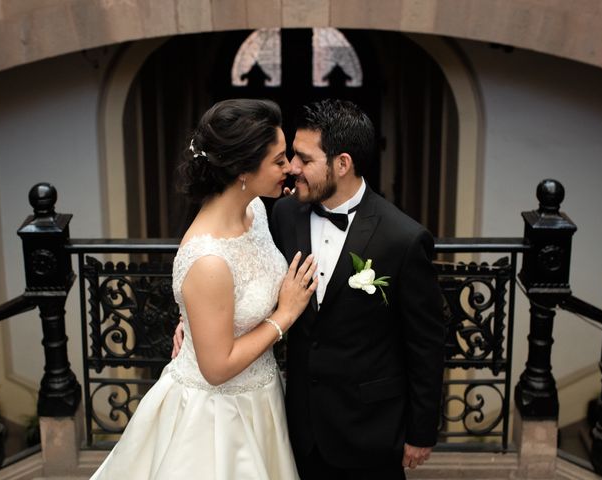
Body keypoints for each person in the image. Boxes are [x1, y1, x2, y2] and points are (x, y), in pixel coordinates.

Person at [91, 99, 317, 480]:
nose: (290, 168)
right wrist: (285, 315)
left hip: (261, 398)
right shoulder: (208, 259)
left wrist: (193, 320)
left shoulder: (255, 211)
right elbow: (216, 368)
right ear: (244, 168)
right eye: (279, 160)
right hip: (216, 417)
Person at [270, 99, 446, 480]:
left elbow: (426, 344)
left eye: (303, 159)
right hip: (299, 428)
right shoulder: (284, 215)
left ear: (342, 163)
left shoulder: (403, 238)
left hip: (371, 431)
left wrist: (421, 430)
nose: (292, 169)